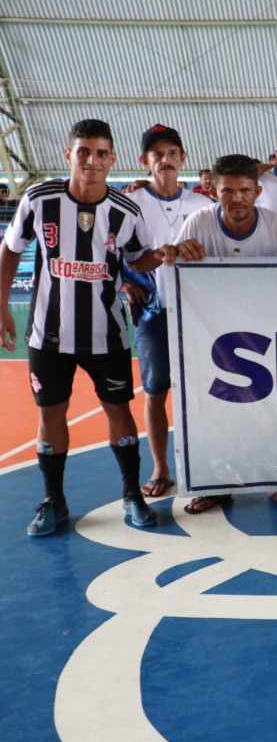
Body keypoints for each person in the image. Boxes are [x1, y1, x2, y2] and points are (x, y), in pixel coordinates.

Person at [0, 119, 168, 536]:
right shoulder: (39, 199)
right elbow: (10, 249)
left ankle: (132, 495)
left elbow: (135, 260)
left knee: (118, 410)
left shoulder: (125, 211)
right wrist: (1, 305)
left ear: (112, 159)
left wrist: (160, 255)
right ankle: (53, 501)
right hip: (47, 335)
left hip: (105, 335)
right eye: (83, 152)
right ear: (68, 155)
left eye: (100, 153)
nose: (92, 161)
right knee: (50, 413)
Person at [171, 153, 277, 511]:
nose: (237, 198)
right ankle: (215, 483)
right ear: (214, 191)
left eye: (244, 190)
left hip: (266, 334)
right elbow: (174, 274)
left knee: (274, 409)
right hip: (212, 334)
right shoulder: (196, 224)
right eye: (228, 191)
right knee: (214, 410)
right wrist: (177, 252)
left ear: (258, 190)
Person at [122, 125, 211, 498]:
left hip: (198, 313)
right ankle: (160, 469)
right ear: (145, 161)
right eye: (156, 154)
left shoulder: (203, 205)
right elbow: (119, 255)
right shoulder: (131, 203)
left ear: (183, 157)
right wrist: (127, 279)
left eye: (172, 152)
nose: (165, 159)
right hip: (154, 311)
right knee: (155, 391)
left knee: (207, 391)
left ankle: (209, 469)